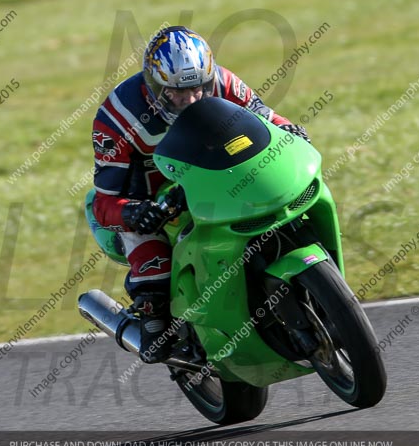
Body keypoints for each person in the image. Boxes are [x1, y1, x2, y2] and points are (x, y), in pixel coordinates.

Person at [90, 26, 308, 363]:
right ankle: (152, 316)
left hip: (207, 165)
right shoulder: (117, 117)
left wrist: (288, 129)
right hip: (147, 187)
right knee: (151, 258)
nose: (189, 100)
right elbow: (105, 201)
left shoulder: (221, 81)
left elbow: (265, 119)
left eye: (197, 89)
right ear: (154, 86)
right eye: (176, 93)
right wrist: (133, 212)